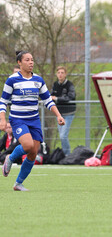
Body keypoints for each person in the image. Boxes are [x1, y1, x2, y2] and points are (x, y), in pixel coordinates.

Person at [0, 51, 65, 191]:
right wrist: (2, 119)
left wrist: (58, 115)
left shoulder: (38, 80)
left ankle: (18, 183)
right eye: (27, 60)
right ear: (19, 62)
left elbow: (48, 100)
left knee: (33, 152)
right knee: (28, 145)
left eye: (32, 60)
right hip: (18, 119)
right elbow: (3, 101)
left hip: (34, 120)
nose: (31, 62)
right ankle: (10, 158)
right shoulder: (12, 80)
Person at [51, 66, 76, 156]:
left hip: (68, 113)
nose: (60, 75)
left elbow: (70, 97)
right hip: (59, 114)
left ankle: (67, 155)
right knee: (62, 136)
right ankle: (65, 154)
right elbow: (51, 96)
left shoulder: (70, 85)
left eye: (62, 73)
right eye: (59, 73)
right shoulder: (55, 84)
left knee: (63, 136)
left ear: (65, 74)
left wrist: (57, 98)